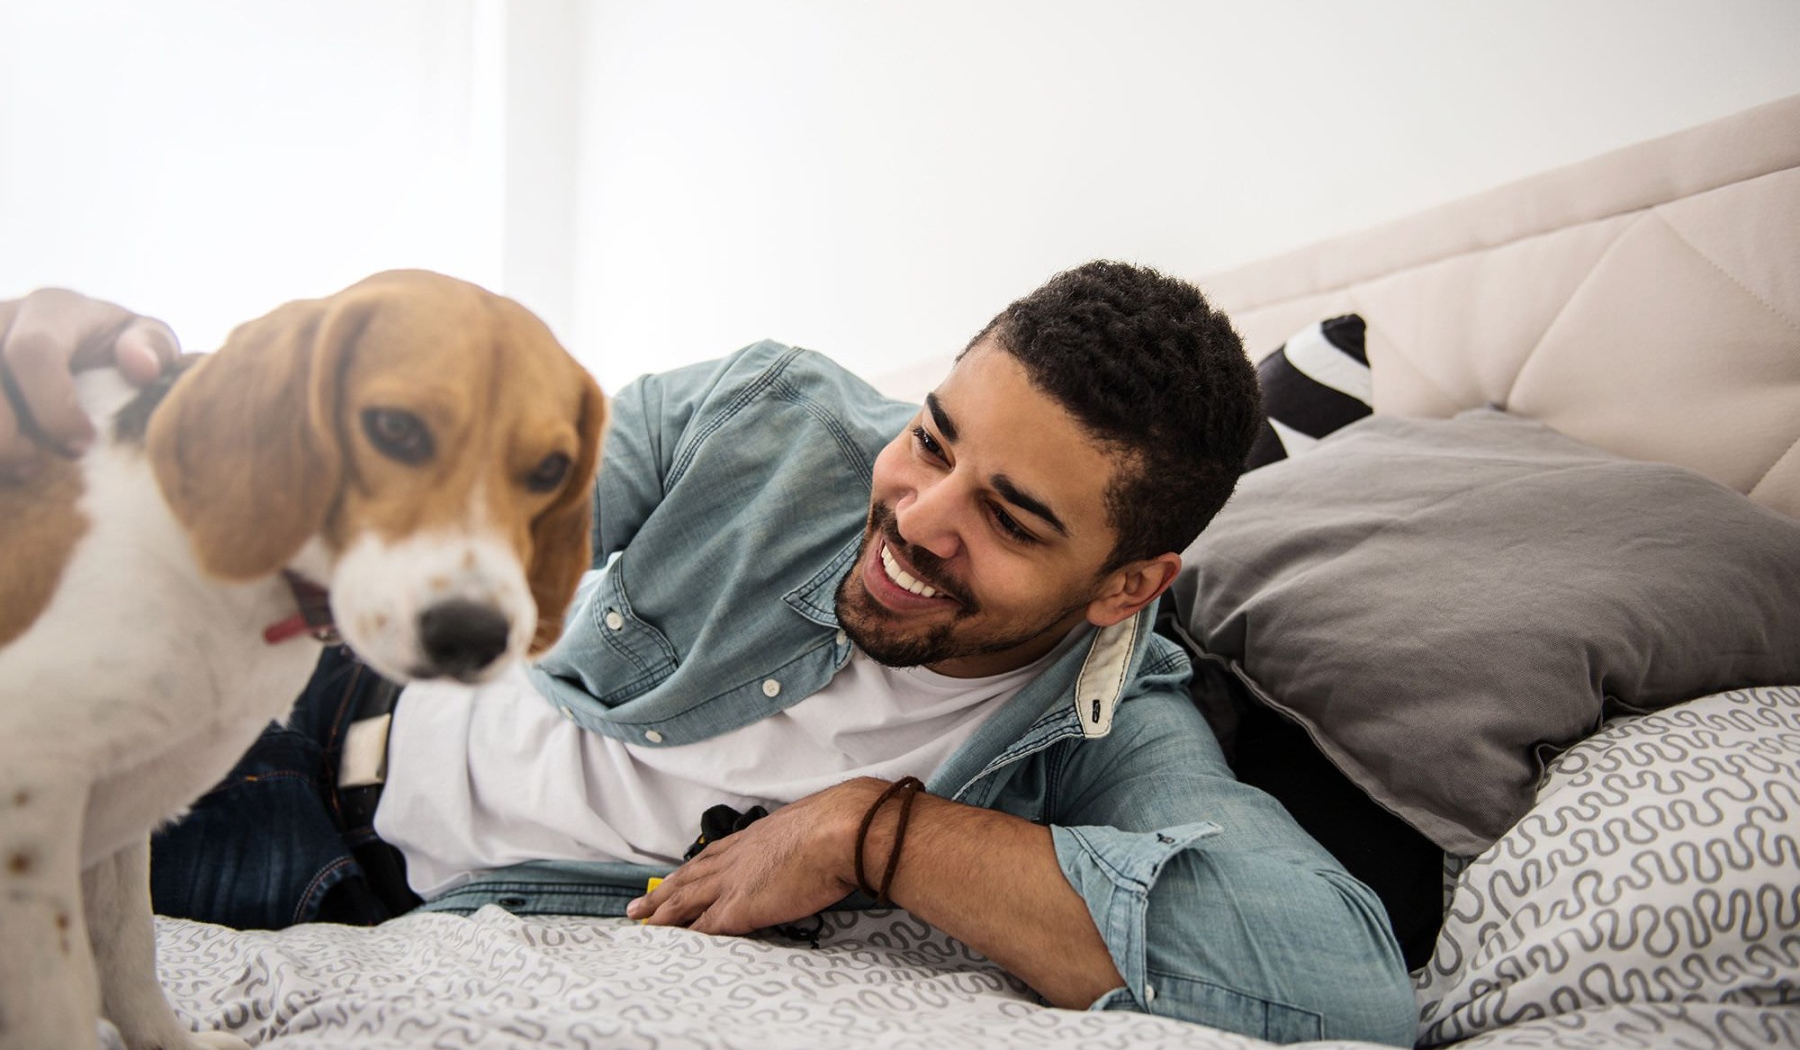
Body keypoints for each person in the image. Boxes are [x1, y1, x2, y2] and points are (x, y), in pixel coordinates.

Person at [3, 265, 1417, 1045]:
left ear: (1127, 585)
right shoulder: (767, 417)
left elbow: (1344, 979)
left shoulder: (1113, 724)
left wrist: (881, 837)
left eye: (1009, 515)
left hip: (337, 876)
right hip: (313, 682)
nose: (916, 518)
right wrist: (130, 393)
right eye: (931, 437)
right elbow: (475, 489)